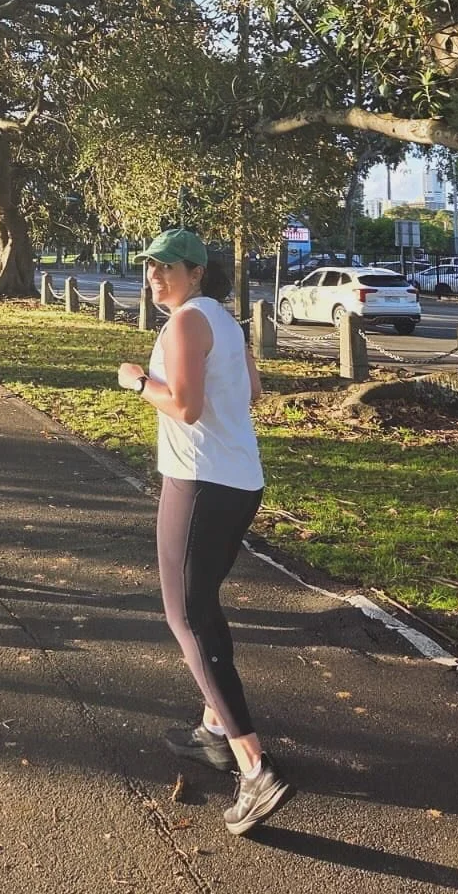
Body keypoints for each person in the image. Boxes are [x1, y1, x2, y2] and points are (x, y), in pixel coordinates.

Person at [117, 227, 293, 838]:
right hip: (241, 481)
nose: (156, 277)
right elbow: (253, 390)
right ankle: (214, 730)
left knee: (185, 617)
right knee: (204, 608)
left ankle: (254, 766)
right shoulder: (224, 319)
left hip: (198, 483)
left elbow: (186, 406)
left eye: (169, 267)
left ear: (196, 272)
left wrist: (138, 381)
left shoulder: (186, 321)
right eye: (149, 268)